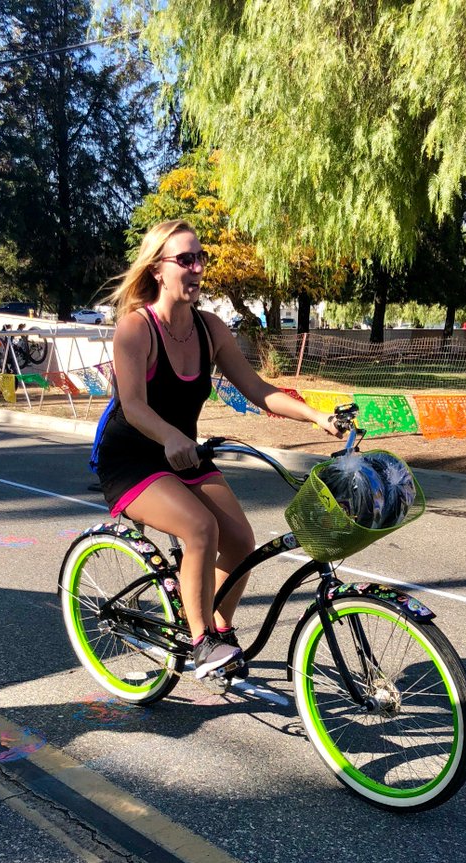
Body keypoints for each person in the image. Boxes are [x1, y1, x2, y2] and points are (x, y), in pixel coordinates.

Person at [96, 219, 341, 679]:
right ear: (157, 269)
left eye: (200, 258)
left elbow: (258, 389)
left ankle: (219, 629)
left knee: (241, 542)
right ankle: (201, 642)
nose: (196, 268)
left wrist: (317, 416)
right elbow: (133, 406)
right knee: (200, 528)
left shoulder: (209, 329)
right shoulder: (136, 329)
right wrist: (170, 436)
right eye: (185, 259)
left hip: (183, 454)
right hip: (133, 459)